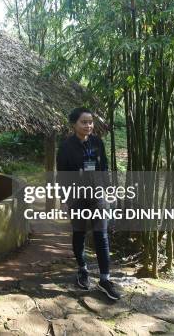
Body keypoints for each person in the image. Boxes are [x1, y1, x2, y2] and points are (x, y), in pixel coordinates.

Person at [56, 107, 122, 300]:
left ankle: (105, 279)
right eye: (84, 122)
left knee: (101, 235)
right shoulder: (66, 146)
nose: (88, 125)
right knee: (79, 233)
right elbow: (62, 175)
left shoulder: (97, 142)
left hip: (98, 196)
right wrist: (64, 199)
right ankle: (82, 270)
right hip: (76, 197)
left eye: (90, 122)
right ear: (74, 124)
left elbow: (104, 168)